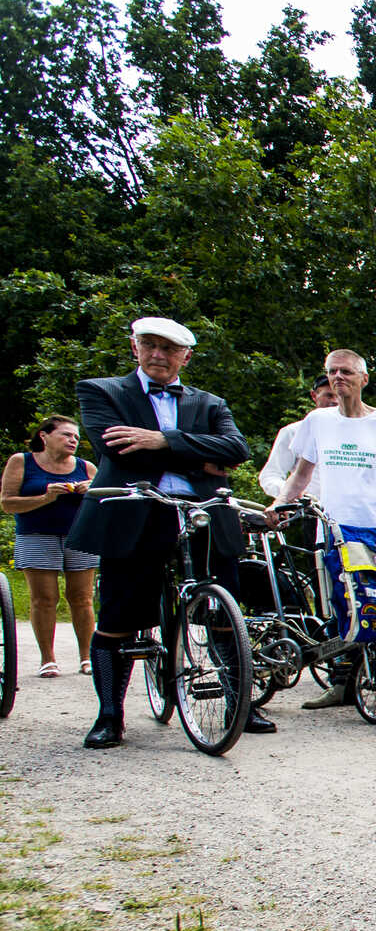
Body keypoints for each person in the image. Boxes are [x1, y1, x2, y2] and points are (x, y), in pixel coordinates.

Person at [69, 315, 275, 746]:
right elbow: (115, 448)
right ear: (134, 348)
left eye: (168, 349)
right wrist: (202, 458)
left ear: (186, 356)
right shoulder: (102, 390)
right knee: (119, 616)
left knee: (225, 611)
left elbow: (236, 449)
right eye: (149, 345)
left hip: (201, 513)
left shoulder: (210, 403)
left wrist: (162, 441)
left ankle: (240, 703)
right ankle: (110, 715)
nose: (158, 355)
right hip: (136, 511)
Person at [265, 348, 376, 711]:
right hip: (333, 529)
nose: (338, 378)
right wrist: (279, 505)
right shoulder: (317, 422)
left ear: (364, 378)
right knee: (339, 606)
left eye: (346, 372)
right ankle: (342, 683)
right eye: (333, 372)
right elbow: (301, 474)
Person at [1, 416, 98, 678]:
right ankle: (48, 659)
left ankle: (87, 657)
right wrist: (46, 497)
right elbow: (7, 504)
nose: (73, 441)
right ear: (44, 436)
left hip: (80, 537)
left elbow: (108, 502)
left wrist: (92, 491)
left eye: (76, 437)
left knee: (82, 598)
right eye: (66, 435)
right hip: (35, 535)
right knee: (44, 599)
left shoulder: (86, 467)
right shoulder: (22, 461)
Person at [257, 373, 338, 499]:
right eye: (329, 395)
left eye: (339, 396)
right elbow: (270, 475)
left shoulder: (357, 433)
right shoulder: (293, 432)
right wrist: (291, 493)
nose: (335, 401)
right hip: (308, 512)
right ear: (314, 396)